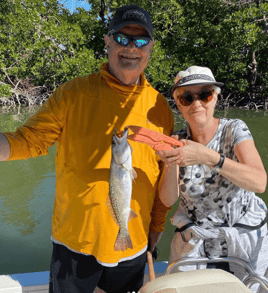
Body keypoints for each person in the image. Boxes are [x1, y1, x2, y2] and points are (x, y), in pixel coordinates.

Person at [0, 5, 174, 293]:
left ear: (151, 47)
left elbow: (161, 174)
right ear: (107, 41)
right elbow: (29, 140)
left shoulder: (160, 108)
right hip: (74, 243)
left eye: (141, 40)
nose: (131, 47)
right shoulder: (72, 94)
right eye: (122, 38)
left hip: (131, 242)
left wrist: (156, 227)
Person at [156, 66, 268, 293]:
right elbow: (168, 200)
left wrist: (208, 157)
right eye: (186, 97)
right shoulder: (176, 140)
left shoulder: (235, 129)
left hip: (241, 238)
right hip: (196, 241)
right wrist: (170, 165)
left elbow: (259, 182)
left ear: (216, 97)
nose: (196, 103)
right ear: (178, 104)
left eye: (205, 94)